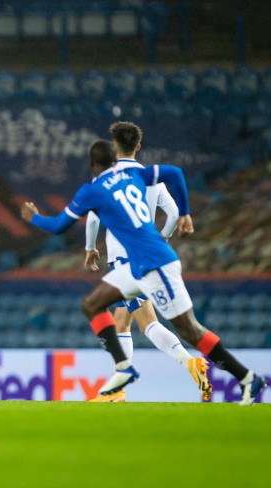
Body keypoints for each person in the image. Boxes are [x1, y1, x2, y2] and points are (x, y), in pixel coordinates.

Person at [21, 139, 267, 405]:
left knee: (188, 329)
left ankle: (246, 377)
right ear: (114, 160)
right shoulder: (134, 174)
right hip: (136, 264)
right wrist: (184, 213)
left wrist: (32, 216)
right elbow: (175, 173)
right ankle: (123, 370)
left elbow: (59, 225)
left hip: (152, 264)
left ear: (92, 165)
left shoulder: (92, 190)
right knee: (93, 303)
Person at [83, 121, 210, 402]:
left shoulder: (106, 178)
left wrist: (91, 247)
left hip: (125, 259)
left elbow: (93, 217)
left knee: (147, 322)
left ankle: (189, 362)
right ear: (138, 146)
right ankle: (118, 390)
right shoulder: (151, 177)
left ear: (114, 146)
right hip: (143, 255)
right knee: (123, 322)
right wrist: (162, 237)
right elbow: (175, 213)